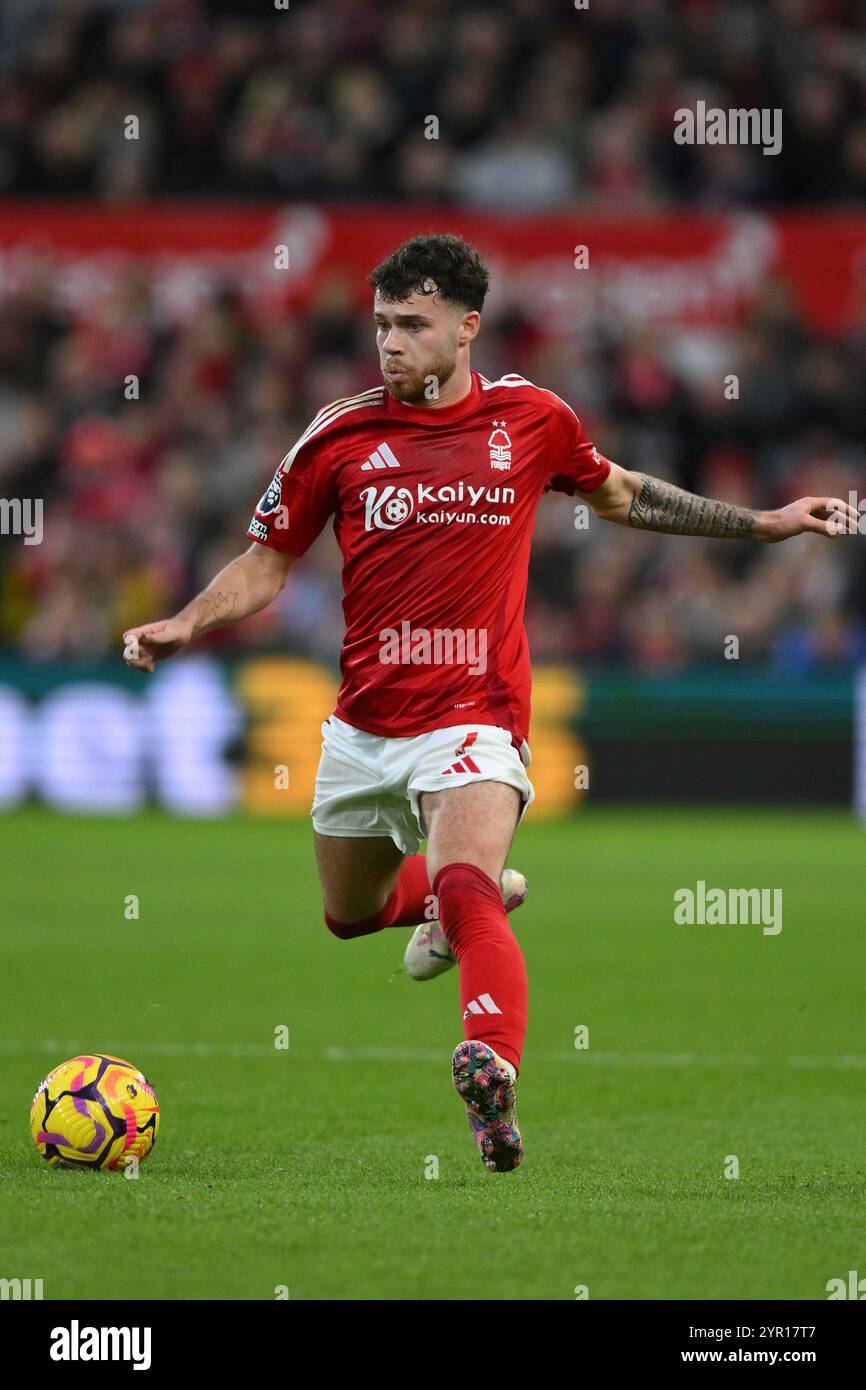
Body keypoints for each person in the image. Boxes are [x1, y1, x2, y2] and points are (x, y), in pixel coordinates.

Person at [123, 233, 858, 1173]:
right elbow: (268, 561)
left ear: (467, 329)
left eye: (413, 326)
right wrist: (186, 622)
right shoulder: (340, 433)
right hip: (363, 724)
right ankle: (464, 896)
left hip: (477, 712)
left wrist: (761, 524)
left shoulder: (532, 420)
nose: (390, 343)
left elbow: (624, 494)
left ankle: (489, 1065)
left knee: (464, 881)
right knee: (349, 916)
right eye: (382, 324)